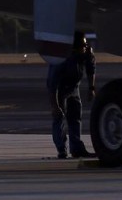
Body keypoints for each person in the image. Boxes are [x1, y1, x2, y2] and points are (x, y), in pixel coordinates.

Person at [47, 30, 97, 158]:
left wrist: (91, 87)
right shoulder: (61, 60)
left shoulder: (84, 55)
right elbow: (52, 84)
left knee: (75, 118)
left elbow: (91, 68)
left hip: (74, 88)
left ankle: (76, 148)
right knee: (59, 117)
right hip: (60, 89)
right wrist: (54, 105)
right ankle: (61, 149)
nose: (85, 48)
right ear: (75, 48)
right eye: (83, 46)